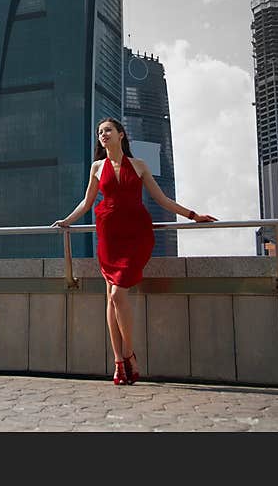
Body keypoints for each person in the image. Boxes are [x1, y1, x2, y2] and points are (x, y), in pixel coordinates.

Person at [52, 118, 217, 385]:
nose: (102, 134)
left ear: (121, 135)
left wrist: (193, 215)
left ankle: (129, 354)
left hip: (136, 234)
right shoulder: (97, 167)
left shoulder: (139, 166)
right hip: (109, 234)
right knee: (111, 296)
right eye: (99, 132)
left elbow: (161, 199)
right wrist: (67, 221)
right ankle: (119, 362)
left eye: (107, 130)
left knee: (117, 294)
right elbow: (87, 202)